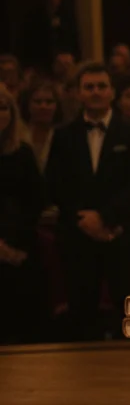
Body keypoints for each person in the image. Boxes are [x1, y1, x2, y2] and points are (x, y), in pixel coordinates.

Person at [44, 63, 130, 340]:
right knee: (81, 310)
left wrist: (105, 218)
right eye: (89, 87)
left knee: (125, 308)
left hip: (120, 233)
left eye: (101, 86)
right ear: (78, 93)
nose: (96, 92)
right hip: (77, 235)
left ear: (112, 92)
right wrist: (83, 218)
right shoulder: (64, 135)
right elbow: (55, 184)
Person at [0, 87, 47, 343]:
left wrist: (13, 246)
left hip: (21, 248)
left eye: (4, 107)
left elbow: (36, 202)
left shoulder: (23, 153)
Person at [20, 0, 79, 71]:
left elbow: (73, 40)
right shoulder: (36, 18)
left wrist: (70, 56)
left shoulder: (66, 17)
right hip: (45, 62)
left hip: (65, 59)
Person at [19, 79, 61, 175]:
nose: (43, 106)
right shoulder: (18, 135)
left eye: (49, 102)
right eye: (38, 102)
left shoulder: (64, 137)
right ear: (28, 104)